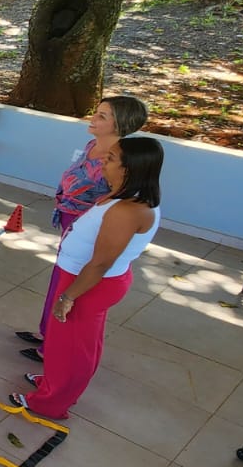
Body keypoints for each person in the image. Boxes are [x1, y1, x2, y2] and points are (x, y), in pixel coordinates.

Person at [11, 137, 163, 421]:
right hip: (79, 276)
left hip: (88, 284)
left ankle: (51, 403)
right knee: (62, 341)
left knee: (73, 347)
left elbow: (101, 262)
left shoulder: (128, 210)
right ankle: (52, 382)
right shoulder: (121, 196)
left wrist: (69, 296)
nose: (103, 160)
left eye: (111, 158)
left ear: (129, 169)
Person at [16, 95, 148, 363]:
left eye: (102, 116)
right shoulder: (92, 145)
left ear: (120, 124)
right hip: (69, 219)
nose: (93, 118)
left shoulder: (118, 161)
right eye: (96, 112)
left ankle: (53, 348)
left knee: (71, 284)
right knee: (59, 278)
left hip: (87, 226)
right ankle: (47, 332)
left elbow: (117, 200)